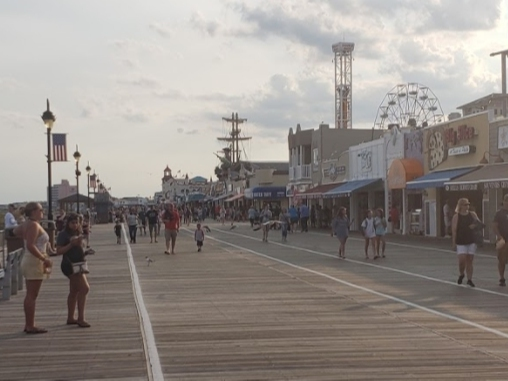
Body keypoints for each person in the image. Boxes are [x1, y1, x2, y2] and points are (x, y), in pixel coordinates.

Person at [13, 202, 52, 334]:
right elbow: (30, 245)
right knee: (32, 295)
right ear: (34, 211)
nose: (43, 212)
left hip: (28, 260)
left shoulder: (27, 224)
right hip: (34, 261)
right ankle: (30, 325)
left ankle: (29, 324)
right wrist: (44, 258)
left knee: (30, 294)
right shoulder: (34, 225)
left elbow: (14, 231)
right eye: (41, 210)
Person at [56, 213, 91, 327]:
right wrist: (71, 244)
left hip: (79, 264)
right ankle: (81, 318)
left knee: (74, 291)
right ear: (67, 223)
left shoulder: (78, 233)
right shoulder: (63, 234)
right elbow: (59, 251)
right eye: (72, 223)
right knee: (85, 288)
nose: (75, 225)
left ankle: (70, 317)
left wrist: (85, 250)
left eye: (77, 222)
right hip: (69, 265)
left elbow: (79, 249)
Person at [452, 198, 482, 288]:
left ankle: (469, 279)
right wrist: (454, 242)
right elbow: (454, 230)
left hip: (471, 240)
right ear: (460, 206)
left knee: (470, 260)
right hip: (461, 240)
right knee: (462, 260)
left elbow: (480, 224)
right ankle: (461, 274)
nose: (467, 206)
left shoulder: (472, 214)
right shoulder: (456, 216)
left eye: (468, 204)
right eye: (465, 204)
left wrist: (475, 225)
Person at [493, 194, 508, 286]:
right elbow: (494, 225)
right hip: (503, 239)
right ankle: (502, 277)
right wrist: (499, 236)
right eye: (506, 200)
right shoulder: (499, 213)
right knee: (502, 260)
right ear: (504, 201)